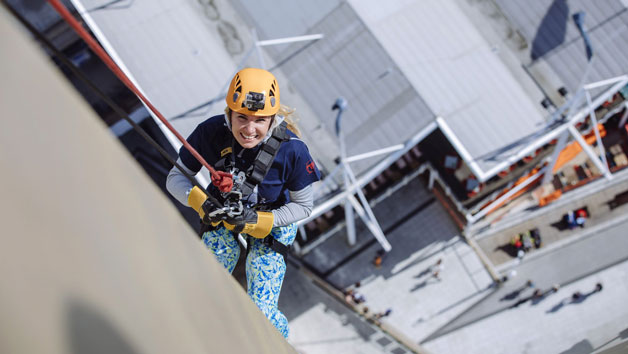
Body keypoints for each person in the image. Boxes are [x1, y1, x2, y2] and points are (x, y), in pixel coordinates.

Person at [166, 68, 321, 338]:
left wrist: (259, 221)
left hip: (273, 224)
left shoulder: (293, 150)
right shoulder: (211, 132)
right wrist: (201, 203)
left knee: (261, 313)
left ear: (272, 120)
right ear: (229, 114)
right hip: (222, 212)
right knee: (202, 287)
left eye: (260, 120)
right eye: (242, 118)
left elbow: (303, 207)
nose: (250, 130)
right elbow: (176, 178)